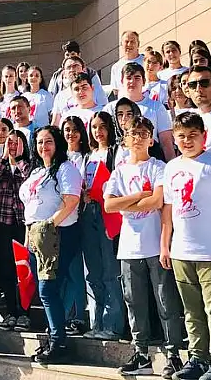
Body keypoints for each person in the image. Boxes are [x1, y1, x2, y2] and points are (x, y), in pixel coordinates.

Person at [103, 117, 185, 378]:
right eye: (132, 133)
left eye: (142, 133)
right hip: (128, 246)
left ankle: (173, 354)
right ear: (125, 139)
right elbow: (108, 205)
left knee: (165, 301)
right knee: (134, 303)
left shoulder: (159, 167)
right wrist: (139, 196)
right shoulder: (119, 171)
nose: (137, 138)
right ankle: (141, 353)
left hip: (154, 243)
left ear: (151, 139)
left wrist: (128, 203)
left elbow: (158, 201)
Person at [161, 112, 211, 380]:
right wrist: (165, 246)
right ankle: (198, 358)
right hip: (181, 251)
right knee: (191, 311)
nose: (187, 140)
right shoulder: (171, 167)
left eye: (193, 135)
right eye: (181, 136)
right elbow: (168, 211)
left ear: (203, 136)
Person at [20, 126, 83, 364]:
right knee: (44, 290)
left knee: (48, 289)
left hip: (57, 235)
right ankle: (53, 336)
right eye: (39, 142)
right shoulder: (37, 171)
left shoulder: (66, 169)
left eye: (48, 141)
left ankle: (59, 341)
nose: (43, 147)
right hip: (35, 236)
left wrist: (48, 225)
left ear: (57, 143)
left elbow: (71, 200)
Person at [80, 112, 125, 341]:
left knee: (110, 270)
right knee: (93, 271)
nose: (98, 131)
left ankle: (113, 324)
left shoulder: (116, 152)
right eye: (94, 127)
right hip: (89, 213)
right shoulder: (88, 155)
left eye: (103, 126)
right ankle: (95, 322)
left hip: (108, 213)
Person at [0, 129, 30, 330]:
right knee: (6, 268)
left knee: (23, 268)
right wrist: (6, 156)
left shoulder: (29, 164)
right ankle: (11, 312)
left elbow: (27, 176)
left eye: (17, 142)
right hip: (3, 221)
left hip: (21, 222)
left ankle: (24, 312)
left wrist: (20, 157)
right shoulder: (1, 163)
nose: (13, 146)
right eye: (10, 142)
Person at [104, 63, 175, 161]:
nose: (132, 81)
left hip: (150, 160)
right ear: (121, 81)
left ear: (144, 81)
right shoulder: (110, 108)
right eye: (128, 78)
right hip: (119, 161)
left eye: (137, 78)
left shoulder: (156, 107)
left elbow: (166, 142)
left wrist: (170, 166)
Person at [61, 116, 92, 335]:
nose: (70, 134)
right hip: (63, 219)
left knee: (79, 270)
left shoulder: (87, 158)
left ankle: (80, 316)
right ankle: (66, 315)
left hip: (82, 217)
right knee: (66, 271)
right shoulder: (60, 159)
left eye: (74, 129)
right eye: (66, 130)